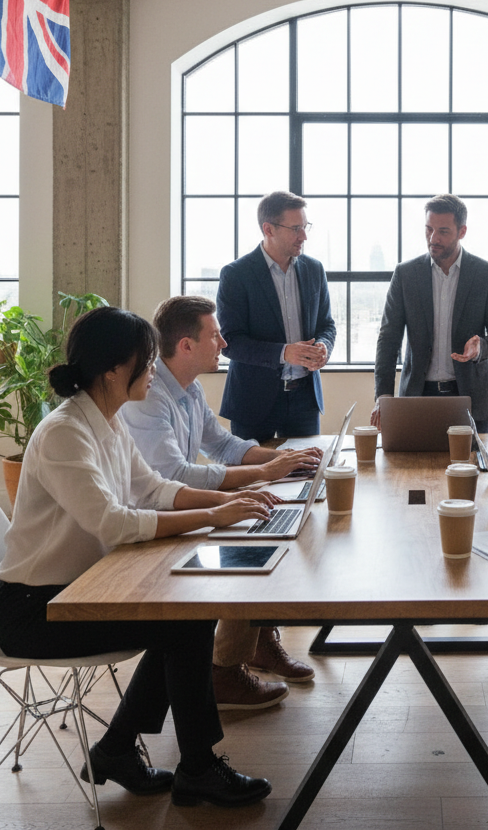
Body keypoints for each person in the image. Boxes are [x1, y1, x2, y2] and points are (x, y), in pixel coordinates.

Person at [0, 307, 274, 809]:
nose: (153, 370)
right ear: (113, 370)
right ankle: (194, 768)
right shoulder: (64, 434)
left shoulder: (107, 420)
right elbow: (115, 522)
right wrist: (220, 515)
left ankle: (125, 751)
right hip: (36, 610)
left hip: (80, 588)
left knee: (180, 619)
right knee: (183, 622)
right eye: (146, 362)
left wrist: (229, 505)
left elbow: (154, 489)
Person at [121, 295, 320, 711]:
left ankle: (260, 643)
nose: (224, 343)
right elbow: (173, 476)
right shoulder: (150, 396)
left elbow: (224, 445)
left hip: (175, 503)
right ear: (187, 345)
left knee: (271, 516)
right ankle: (223, 671)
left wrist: (281, 460)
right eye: (215, 335)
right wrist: (263, 475)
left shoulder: (189, 389)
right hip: (151, 521)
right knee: (253, 532)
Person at [371, 194, 488, 435]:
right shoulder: (406, 275)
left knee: (471, 470)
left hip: (470, 399)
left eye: (443, 231)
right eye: (429, 229)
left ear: (462, 231)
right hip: (417, 396)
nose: (433, 239)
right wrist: (383, 396)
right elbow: (388, 339)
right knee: (412, 472)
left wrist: (481, 347)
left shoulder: (487, 274)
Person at [217, 190, 336, 441]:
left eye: (305, 227)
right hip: (252, 402)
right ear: (268, 229)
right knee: (254, 478)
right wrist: (284, 353)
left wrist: (323, 346)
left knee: (305, 474)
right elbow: (230, 342)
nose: (303, 236)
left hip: (305, 399)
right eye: (295, 229)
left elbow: (327, 324)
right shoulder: (236, 275)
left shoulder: (314, 270)